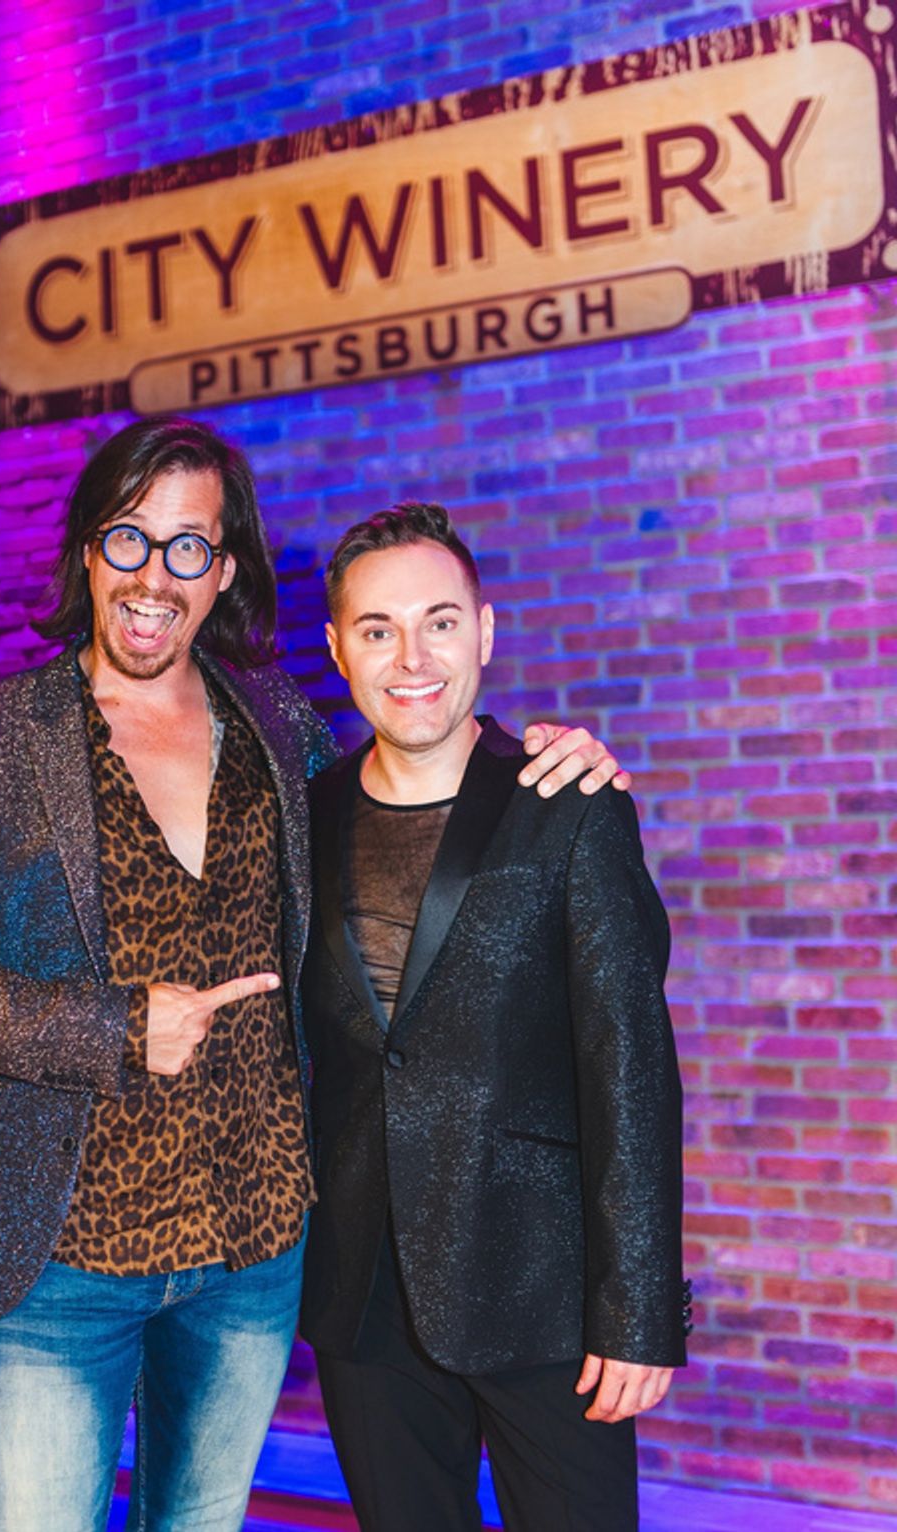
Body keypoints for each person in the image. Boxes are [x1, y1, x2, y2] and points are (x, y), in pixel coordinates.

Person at [0, 418, 628, 1532]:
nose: (153, 575)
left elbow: (414, 783)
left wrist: (551, 760)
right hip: (59, 1261)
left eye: (188, 548)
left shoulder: (281, 728)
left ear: (221, 572)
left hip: (253, 1253)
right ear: (88, 549)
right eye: (130, 538)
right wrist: (115, 1026)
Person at [300, 502, 689, 1532]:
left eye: (438, 620)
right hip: (363, 1300)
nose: (411, 655)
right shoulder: (302, 818)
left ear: (485, 629)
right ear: (339, 648)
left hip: (546, 1297)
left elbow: (631, 1065)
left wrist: (640, 1308)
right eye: (378, 629)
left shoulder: (568, 801)